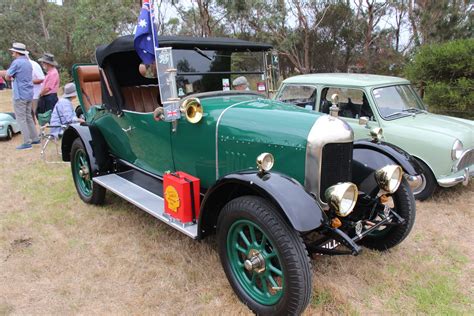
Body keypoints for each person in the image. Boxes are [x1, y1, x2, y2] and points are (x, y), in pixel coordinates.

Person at [0, 43, 40, 150]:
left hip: (20, 94)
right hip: (29, 93)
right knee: (28, 116)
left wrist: (10, 76)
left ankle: (26, 142)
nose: (12, 53)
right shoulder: (28, 62)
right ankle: (35, 138)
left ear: (17, 52)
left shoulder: (16, 63)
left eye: (13, 51)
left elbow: (8, 76)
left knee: (21, 118)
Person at [37, 53, 59, 118]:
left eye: (43, 63)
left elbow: (48, 88)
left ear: (47, 64)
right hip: (48, 97)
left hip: (50, 97)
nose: (42, 64)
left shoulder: (53, 73)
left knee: (51, 115)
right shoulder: (50, 72)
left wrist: (40, 94)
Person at [27, 53, 45, 123]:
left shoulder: (33, 65)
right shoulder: (23, 65)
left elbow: (41, 78)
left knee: (37, 114)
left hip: (35, 94)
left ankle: (41, 131)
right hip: (27, 94)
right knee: (29, 116)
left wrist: (26, 82)